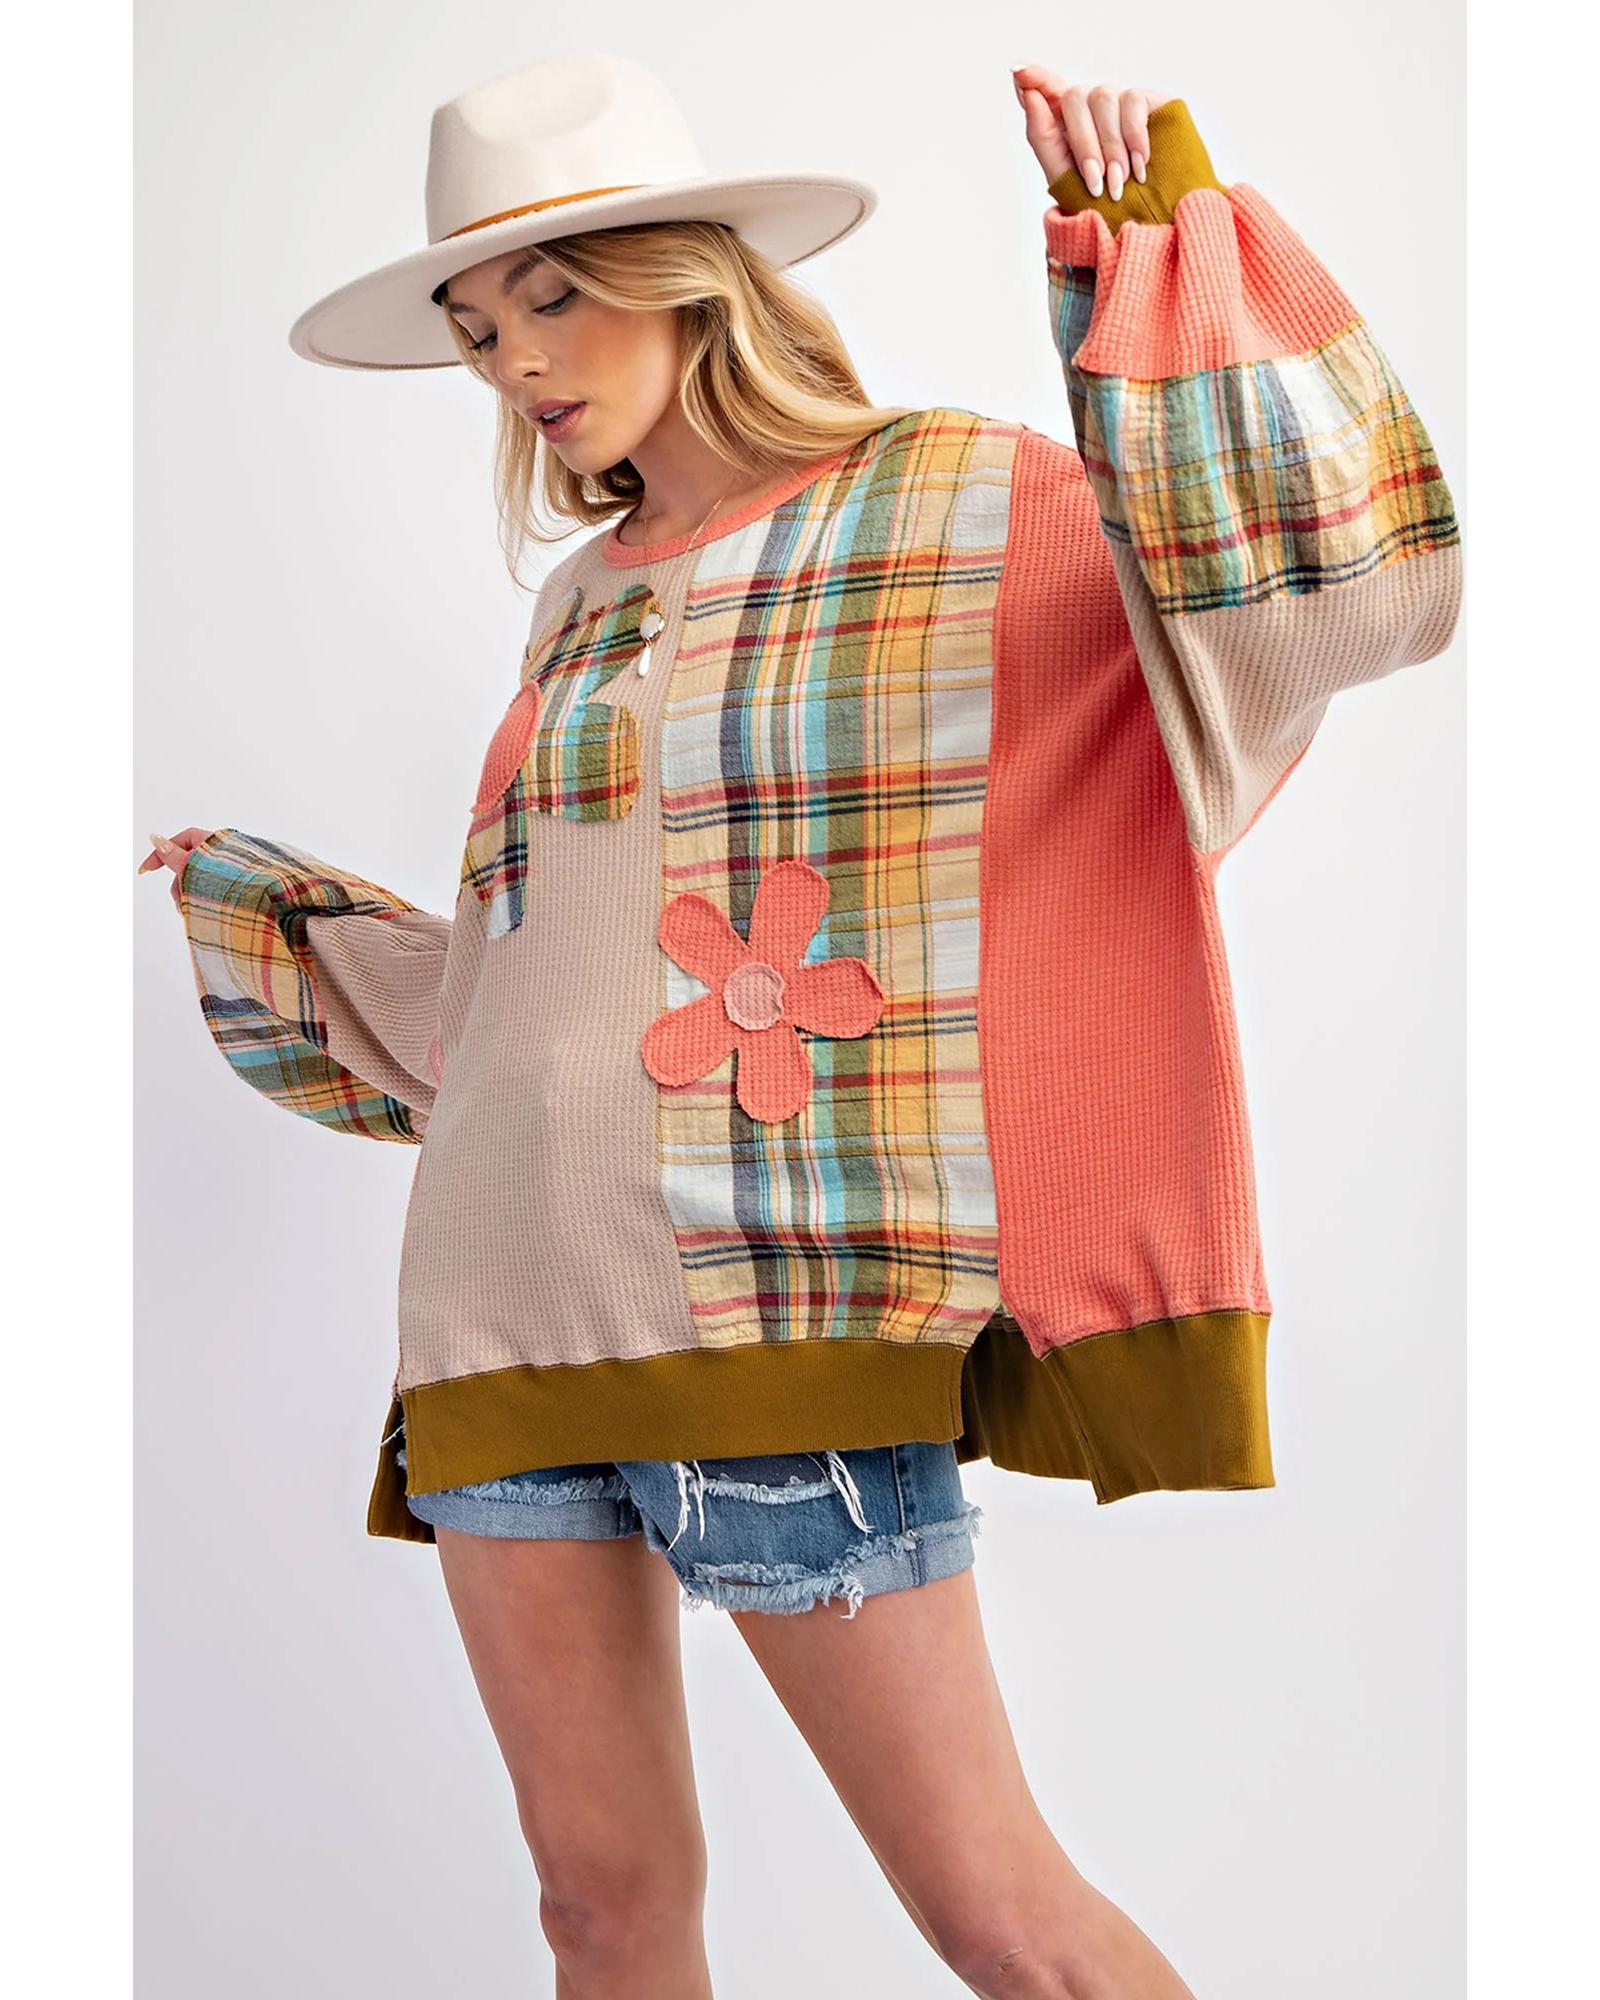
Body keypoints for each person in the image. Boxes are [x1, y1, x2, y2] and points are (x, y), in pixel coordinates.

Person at [141, 51, 1460, 2000]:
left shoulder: (956, 504)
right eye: (479, 324)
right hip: (497, 1321)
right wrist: (296, 926)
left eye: (555, 293)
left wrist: (1155, 254)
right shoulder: (575, 603)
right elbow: (543, 989)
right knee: (599, 1912)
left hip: (778, 1312)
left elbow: (1316, 610)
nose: (516, 359)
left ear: (690, 276)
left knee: (1001, 1922)